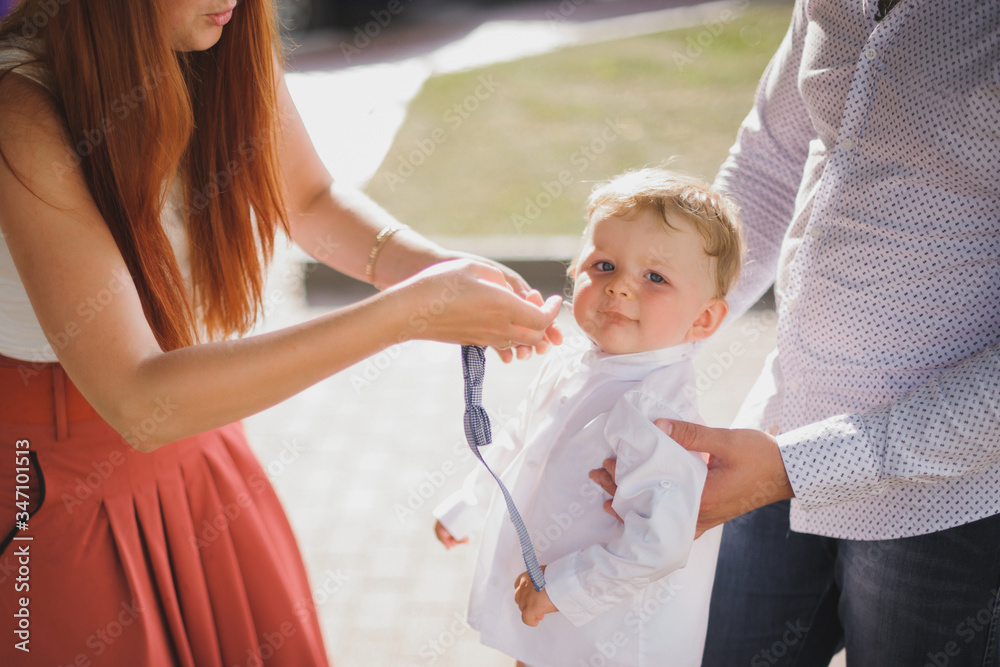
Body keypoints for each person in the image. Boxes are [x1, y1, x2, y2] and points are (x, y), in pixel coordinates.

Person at [0, 1, 562, 664]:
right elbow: (137, 399)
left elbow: (308, 198)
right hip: (54, 480)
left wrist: (432, 267)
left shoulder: (219, 36)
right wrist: (410, 313)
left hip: (203, 434)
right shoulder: (23, 110)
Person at [592, 1, 1000, 664]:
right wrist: (645, 341)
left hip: (943, 503)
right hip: (774, 431)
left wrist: (795, 468)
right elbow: (771, 161)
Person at [433, 168, 744, 667]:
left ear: (703, 319)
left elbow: (661, 542)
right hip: (545, 604)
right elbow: (522, 440)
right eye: (603, 265)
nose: (620, 287)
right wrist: (470, 503)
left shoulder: (657, 410)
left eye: (655, 277)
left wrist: (564, 589)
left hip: (606, 633)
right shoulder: (575, 361)